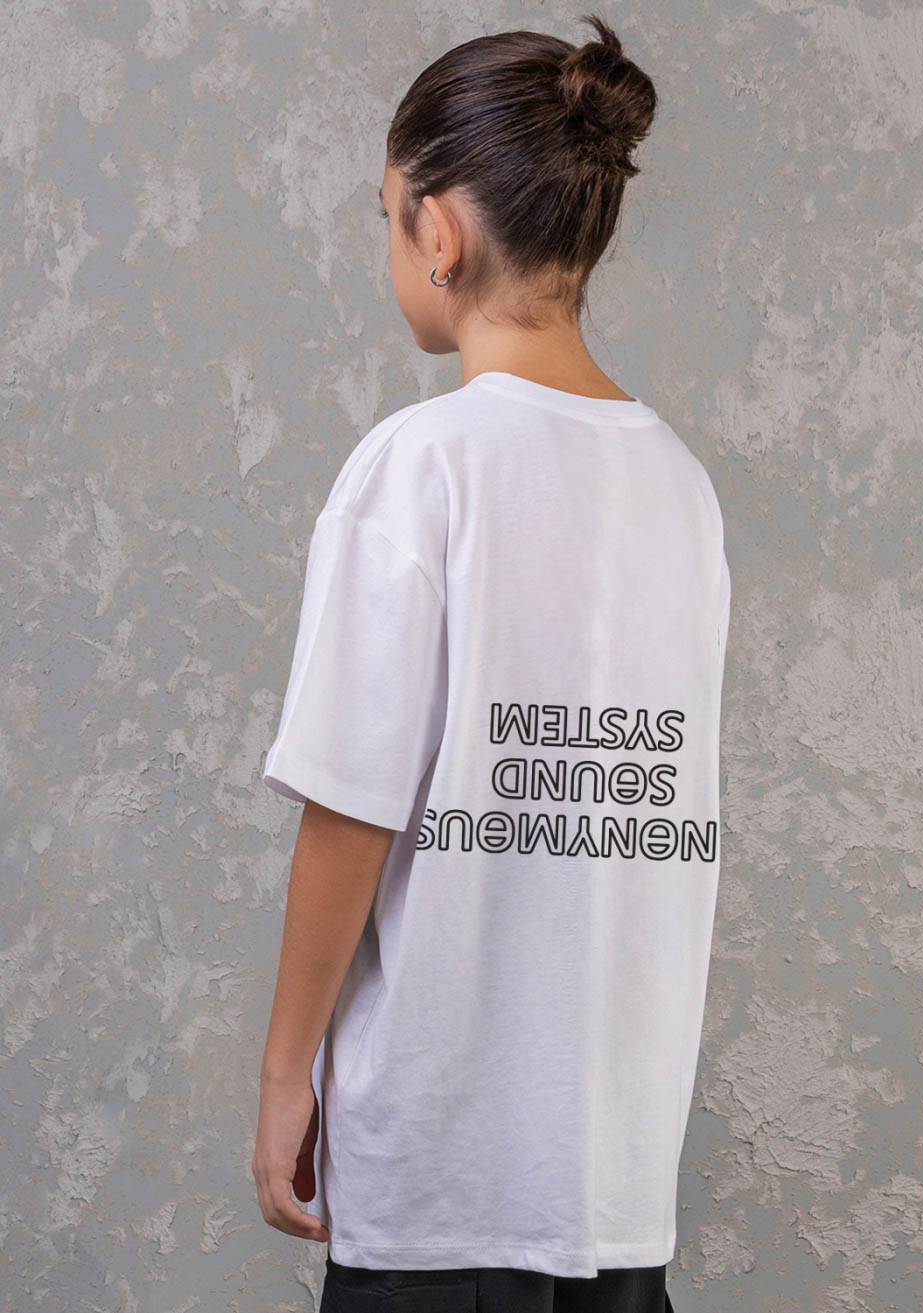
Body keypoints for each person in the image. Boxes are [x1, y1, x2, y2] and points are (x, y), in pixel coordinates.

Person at [252, 12, 730, 1312]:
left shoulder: (421, 467)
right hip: (613, 1181)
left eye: (386, 215)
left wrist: (288, 1069)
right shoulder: (680, 488)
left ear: (441, 231)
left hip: (439, 1185)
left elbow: (351, 805)